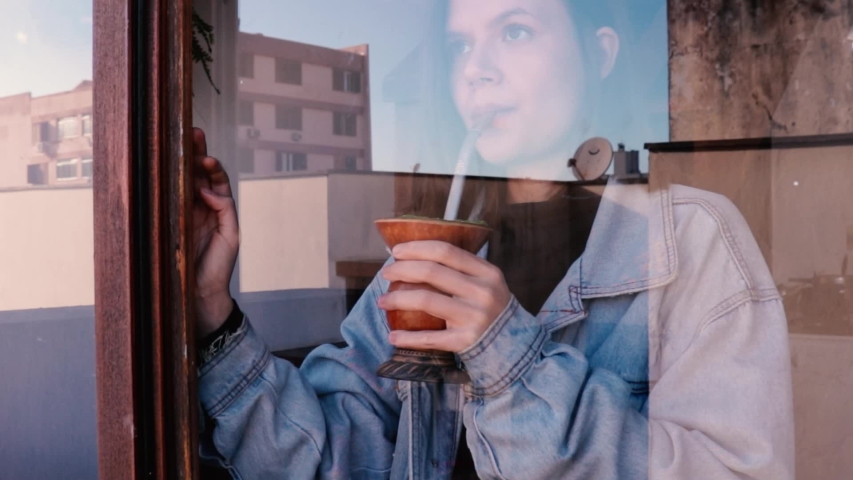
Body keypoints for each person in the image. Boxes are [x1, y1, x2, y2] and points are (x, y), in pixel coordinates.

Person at [193, 0, 795, 478]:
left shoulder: (690, 242)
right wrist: (214, 313)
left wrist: (511, 362)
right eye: (459, 46)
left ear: (599, 52)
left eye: (515, 31)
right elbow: (331, 462)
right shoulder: (433, 259)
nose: (476, 67)